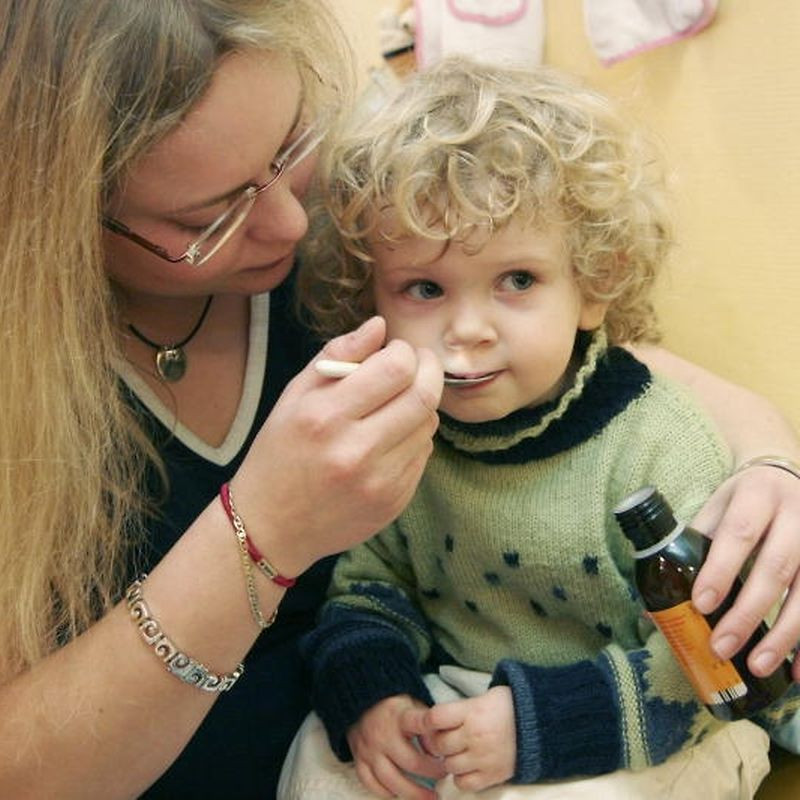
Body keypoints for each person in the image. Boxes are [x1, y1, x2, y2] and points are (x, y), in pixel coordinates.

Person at [0, 3, 798, 799]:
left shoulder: (379, 252)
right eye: (209, 218)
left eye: (291, 150)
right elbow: (373, 584)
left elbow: (612, 380)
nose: (288, 225)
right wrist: (365, 687)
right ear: (56, 218)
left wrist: (773, 464)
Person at [283, 56, 800, 799]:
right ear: (372, 297)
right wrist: (373, 698)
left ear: (593, 284)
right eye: (423, 288)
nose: (466, 331)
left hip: (676, 716)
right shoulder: (399, 436)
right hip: (472, 700)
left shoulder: (659, 441)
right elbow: (368, 590)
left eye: (516, 281)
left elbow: (728, 656)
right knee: (318, 759)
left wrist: (540, 728)